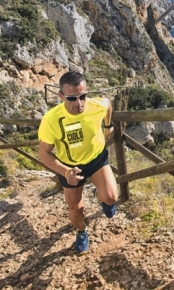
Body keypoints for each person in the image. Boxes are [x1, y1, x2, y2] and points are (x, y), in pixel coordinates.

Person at [38, 71, 118, 254]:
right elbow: (44, 154)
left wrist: (107, 125)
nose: (79, 103)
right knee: (76, 212)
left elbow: (107, 104)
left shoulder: (96, 105)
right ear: (60, 96)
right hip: (70, 167)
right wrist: (65, 171)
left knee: (112, 197)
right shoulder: (51, 120)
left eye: (83, 96)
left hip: (96, 159)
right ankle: (82, 231)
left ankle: (102, 197)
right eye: (72, 98)